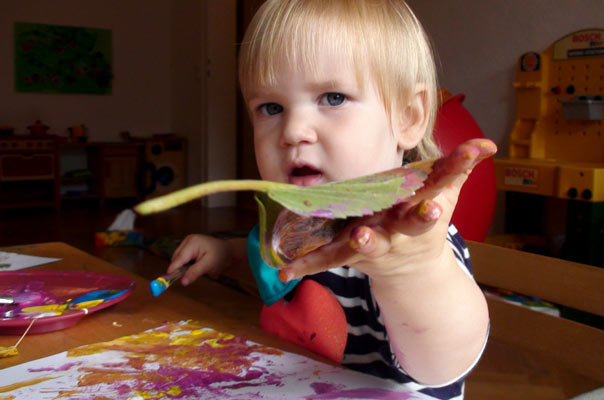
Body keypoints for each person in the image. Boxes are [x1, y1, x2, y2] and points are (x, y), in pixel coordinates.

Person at [168, 1, 494, 398]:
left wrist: (410, 271)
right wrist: (229, 255)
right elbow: (277, 267)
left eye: (333, 98)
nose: (293, 130)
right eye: (271, 108)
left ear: (408, 117)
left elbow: (442, 363)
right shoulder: (296, 223)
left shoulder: (413, 238)